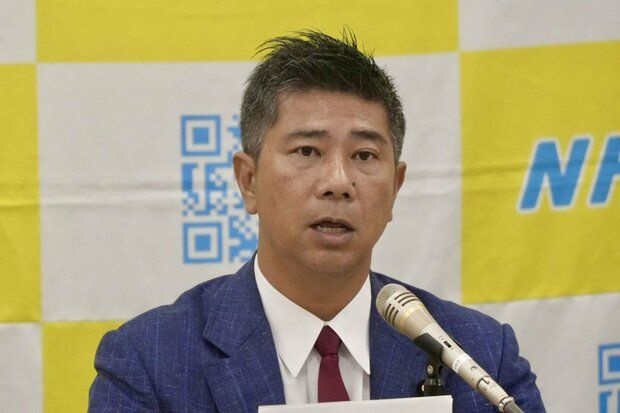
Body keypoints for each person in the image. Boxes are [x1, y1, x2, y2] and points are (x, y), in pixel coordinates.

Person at [89, 30, 545, 412]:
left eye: (364, 155)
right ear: (249, 180)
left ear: (395, 188)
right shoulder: (150, 362)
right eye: (307, 151)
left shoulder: (481, 356)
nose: (338, 182)